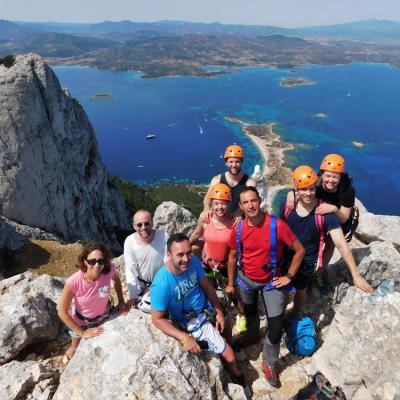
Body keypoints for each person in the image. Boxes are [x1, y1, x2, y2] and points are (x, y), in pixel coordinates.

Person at [226, 186, 304, 387]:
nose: (251, 205)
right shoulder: (239, 228)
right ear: (240, 206)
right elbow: (233, 257)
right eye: (246, 202)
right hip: (246, 280)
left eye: (253, 200)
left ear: (259, 200)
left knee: (276, 326)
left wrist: (289, 276)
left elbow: (299, 251)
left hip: (272, 281)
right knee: (250, 313)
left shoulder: (276, 225)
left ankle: (269, 362)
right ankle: (252, 335)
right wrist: (230, 283)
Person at [150, 233, 245, 385]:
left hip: (206, 309)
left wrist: (218, 311)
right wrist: (184, 337)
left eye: (188, 252)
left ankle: (225, 347)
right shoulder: (161, 284)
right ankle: (233, 371)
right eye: (180, 255)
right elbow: (157, 318)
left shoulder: (193, 261)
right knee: (231, 357)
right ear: (168, 255)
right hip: (193, 322)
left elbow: (206, 285)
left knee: (226, 326)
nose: (186, 259)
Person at [281, 166, 373, 317]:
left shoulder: (324, 212)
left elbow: (341, 244)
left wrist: (355, 275)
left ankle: (294, 315)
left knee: (301, 290)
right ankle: (282, 313)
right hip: (285, 258)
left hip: (307, 262)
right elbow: (277, 229)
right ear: (296, 189)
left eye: (311, 189)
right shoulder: (288, 206)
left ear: (315, 187)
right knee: (283, 291)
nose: (308, 193)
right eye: (303, 189)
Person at [190, 183, 247, 332]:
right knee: (206, 288)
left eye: (223, 203)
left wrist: (230, 282)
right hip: (208, 262)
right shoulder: (206, 219)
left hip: (225, 265)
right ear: (211, 204)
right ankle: (210, 311)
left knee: (234, 292)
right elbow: (197, 234)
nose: (220, 207)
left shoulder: (234, 223)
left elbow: (235, 253)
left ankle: (242, 315)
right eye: (216, 203)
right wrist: (183, 248)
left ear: (229, 204)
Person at [58, 241, 127, 359]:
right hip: (81, 322)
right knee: (75, 348)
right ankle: (72, 350)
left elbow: (116, 280)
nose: (97, 265)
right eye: (92, 261)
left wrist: (121, 301)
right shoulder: (73, 282)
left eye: (101, 261)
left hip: (104, 316)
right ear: (84, 260)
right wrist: (82, 333)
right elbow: (62, 312)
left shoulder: (109, 269)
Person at [124, 209, 169, 310]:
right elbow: (131, 270)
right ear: (134, 226)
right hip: (141, 286)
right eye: (139, 225)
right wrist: (133, 296)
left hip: (161, 282)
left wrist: (155, 285)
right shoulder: (130, 242)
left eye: (147, 223)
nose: (143, 227)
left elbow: (168, 263)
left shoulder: (163, 236)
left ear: (152, 222)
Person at [203, 144, 256, 217]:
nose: (234, 165)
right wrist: (207, 209)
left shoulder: (249, 183)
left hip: (239, 221)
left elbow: (249, 202)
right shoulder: (217, 180)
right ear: (226, 163)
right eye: (231, 162)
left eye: (237, 162)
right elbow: (207, 198)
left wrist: (235, 215)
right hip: (219, 219)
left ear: (241, 162)